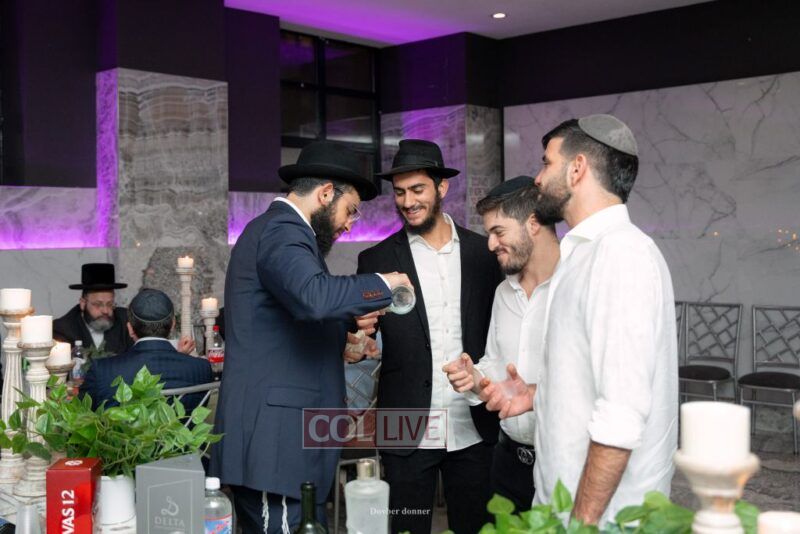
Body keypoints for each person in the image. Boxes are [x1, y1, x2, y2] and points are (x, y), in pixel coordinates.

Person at [481, 115, 678, 525]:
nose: (538, 178)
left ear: (577, 168)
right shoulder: (581, 253)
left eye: (546, 163)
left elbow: (621, 414)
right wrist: (539, 394)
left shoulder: (621, 255)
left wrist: (582, 522)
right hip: (560, 504)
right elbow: (595, 377)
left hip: (607, 518)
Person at [209, 141, 412, 534]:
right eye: (350, 210)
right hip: (274, 447)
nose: (350, 224)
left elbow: (286, 318)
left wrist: (342, 340)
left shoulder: (282, 233)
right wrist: (383, 284)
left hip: (286, 450)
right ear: (325, 194)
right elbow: (313, 296)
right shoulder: (283, 230)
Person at [357, 139, 503, 534]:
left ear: (442, 187)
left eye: (417, 189)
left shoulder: (485, 254)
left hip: (474, 425)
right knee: (407, 529)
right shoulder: (375, 260)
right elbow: (362, 334)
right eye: (399, 192)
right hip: (404, 427)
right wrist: (357, 343)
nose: (407, 201)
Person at [442, 176, 559, 513]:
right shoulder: (503, 292)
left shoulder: (576, 285)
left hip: (561, 463)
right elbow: (495, 365)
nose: (490, 244)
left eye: (498, 231)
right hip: (507, 464)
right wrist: (474, 379)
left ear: (533, 223)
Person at [79, 288, 212, 412]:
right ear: (172, 325)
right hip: (184, 431)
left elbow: (80, 413)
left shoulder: (102, 370)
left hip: (122, 431)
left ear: (130, 329)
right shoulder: (201, 368)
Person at [53, 263, 134, 355]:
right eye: (98, 304)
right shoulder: (63, 329)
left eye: (110, 304)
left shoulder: (127, 321)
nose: (105, 311)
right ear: (83, 303)